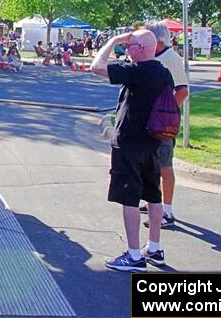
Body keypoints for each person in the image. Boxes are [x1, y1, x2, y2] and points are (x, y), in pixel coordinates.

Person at [90, 29, 173, 272]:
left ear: (140, 48)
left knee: (130, 197)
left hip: (130, 142)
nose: (126, 49)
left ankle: (134, 255)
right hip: (153, 142)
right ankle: (154, 248)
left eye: (130, 45)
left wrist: (113, 40)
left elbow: (96, 67)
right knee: (153, 194)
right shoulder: (162, 72)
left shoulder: (137, 72)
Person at [143, 22, 189, 229]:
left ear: (158, 41)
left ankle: (167, 211)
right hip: (148, 122)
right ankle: (154, 202)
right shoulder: (154, 58)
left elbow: (182, 91)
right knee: (150, 163)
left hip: (161, 124)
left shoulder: (171, 59)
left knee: (164, 165)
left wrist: (165, 115)